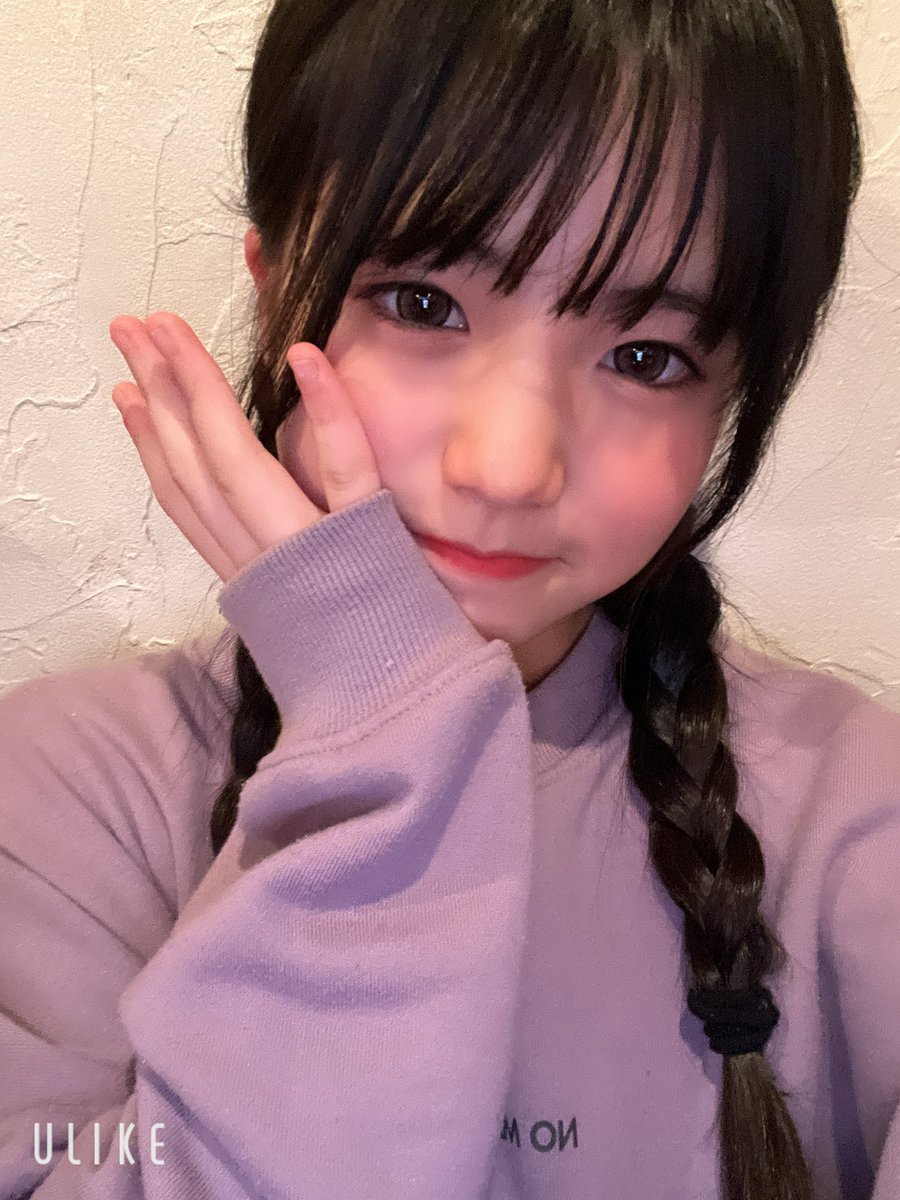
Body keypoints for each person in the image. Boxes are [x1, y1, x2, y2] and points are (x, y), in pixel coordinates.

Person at [1, 0, 897, 1197]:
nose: (507, 466)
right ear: (276, 291)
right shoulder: (68, 802)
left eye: (647, 358)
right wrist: (380, 718)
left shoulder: (859, 819)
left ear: (729, 398)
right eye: (423, 303)